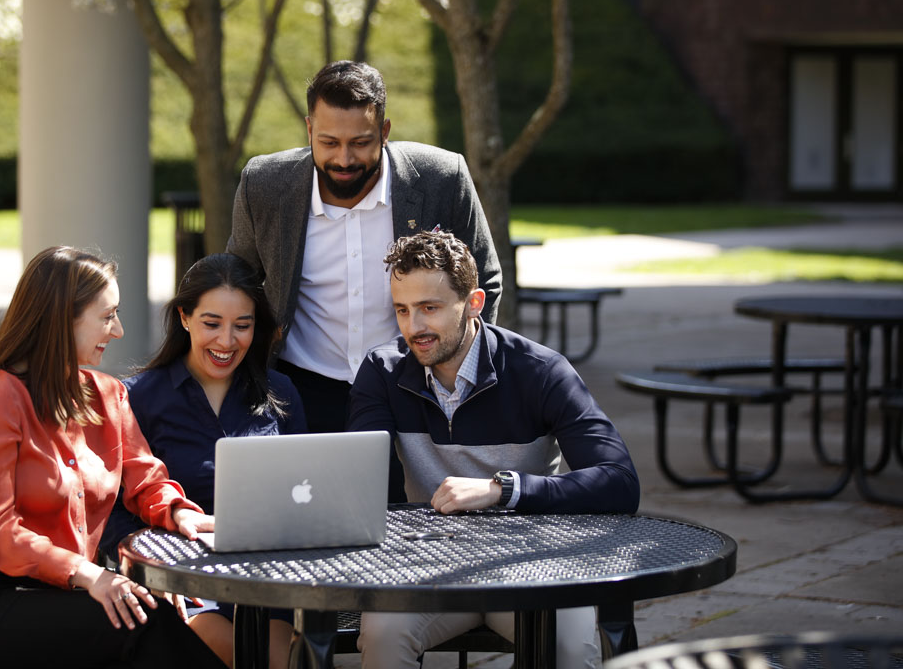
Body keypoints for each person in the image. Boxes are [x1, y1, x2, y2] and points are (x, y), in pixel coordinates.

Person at [347, 231, 640, 669]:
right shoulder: (382, 372)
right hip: (427, 567)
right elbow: (370, 494)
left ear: (474, 302)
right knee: (382, 636)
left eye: (430, 308)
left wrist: (503, 489)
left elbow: (619, 482)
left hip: (531, 564)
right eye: (402, 310)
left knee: (570, 648)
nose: (414, 328)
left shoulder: (541, 372)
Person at [0, 246, 226, 669]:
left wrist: (178, 513)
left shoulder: (108, 396)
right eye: (106, 316)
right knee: (142, 624)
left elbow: (146, 481)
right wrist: (93, 577)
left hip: (59, 599)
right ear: (60, 320)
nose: (117, 330)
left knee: (144, 618)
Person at [228, 60, 501, 434]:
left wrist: (457, 373)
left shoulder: (443, 178)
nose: (344, 158)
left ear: (384, 131)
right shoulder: (264, 184)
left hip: (414, 383)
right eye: (328, 142)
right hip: (300, 387)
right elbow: (235, 283)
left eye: (360, 142)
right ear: (309, 129)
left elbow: (484, 279)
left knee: (409, 494)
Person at [100, 252, 307, 669]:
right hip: (182, 577)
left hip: (269, 577)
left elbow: (310, 489)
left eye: (242, 326)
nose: (227, 342)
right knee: (242, 655)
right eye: (212, 323)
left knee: (282, 658)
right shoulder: (136, 397)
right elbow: (108, 508)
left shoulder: (280, 391)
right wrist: (146, 568)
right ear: (184, 318)